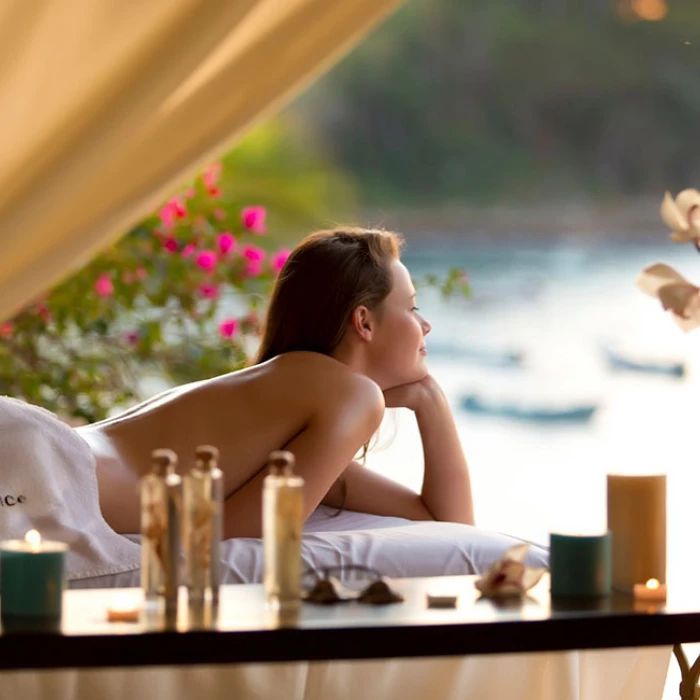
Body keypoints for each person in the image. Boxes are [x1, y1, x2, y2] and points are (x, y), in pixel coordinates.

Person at [77, 227, 474, 539]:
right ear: (364, 322)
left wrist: (431, 400)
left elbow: (447, 524)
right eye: (412, 307)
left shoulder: (297, 394)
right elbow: (234, 537)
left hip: (52, 462)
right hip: (52, 481)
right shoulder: (350, 395)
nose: (425, 325)